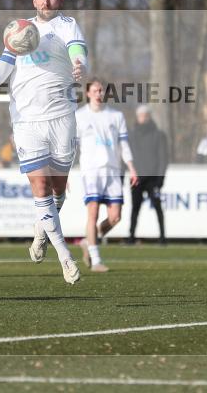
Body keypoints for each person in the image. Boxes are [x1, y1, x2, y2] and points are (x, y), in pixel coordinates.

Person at [0, 0, 87, 284]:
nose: (46, 1)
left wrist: (80, 64)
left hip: (62, 118)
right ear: (33, 0)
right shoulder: (18, 31)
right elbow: (2, 69)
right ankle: (65, 258)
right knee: (41, 189)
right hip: (26, 121)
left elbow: (77, 51)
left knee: (57, 194)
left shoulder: (67, 26)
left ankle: (42, 228)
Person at [75, 78, 137, 272]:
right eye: (95, 90)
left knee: (115, 217)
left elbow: (123, 144)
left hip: (113, 170)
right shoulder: (79, 116)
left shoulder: (115, 116)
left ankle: (88, 241)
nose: (98, 94)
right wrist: (64, 170)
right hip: (91, 170)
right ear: (87, 93)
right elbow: (72, 147)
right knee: (92, 213)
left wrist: (131, 167)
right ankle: (96, 259)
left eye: (101, 90)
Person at [127, 105, 168, 245]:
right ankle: (131, 237)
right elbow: (127, 156)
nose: (143, 118)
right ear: (137, 117)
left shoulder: (158, 134)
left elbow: (163, 158)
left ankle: (162, 237)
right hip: (136, 178)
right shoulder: (131, 135)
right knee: (135, 208)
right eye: (141, 115)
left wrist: (160, 178)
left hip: (153, 179)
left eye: (145, 115)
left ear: (149, 117)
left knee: (157, 207)